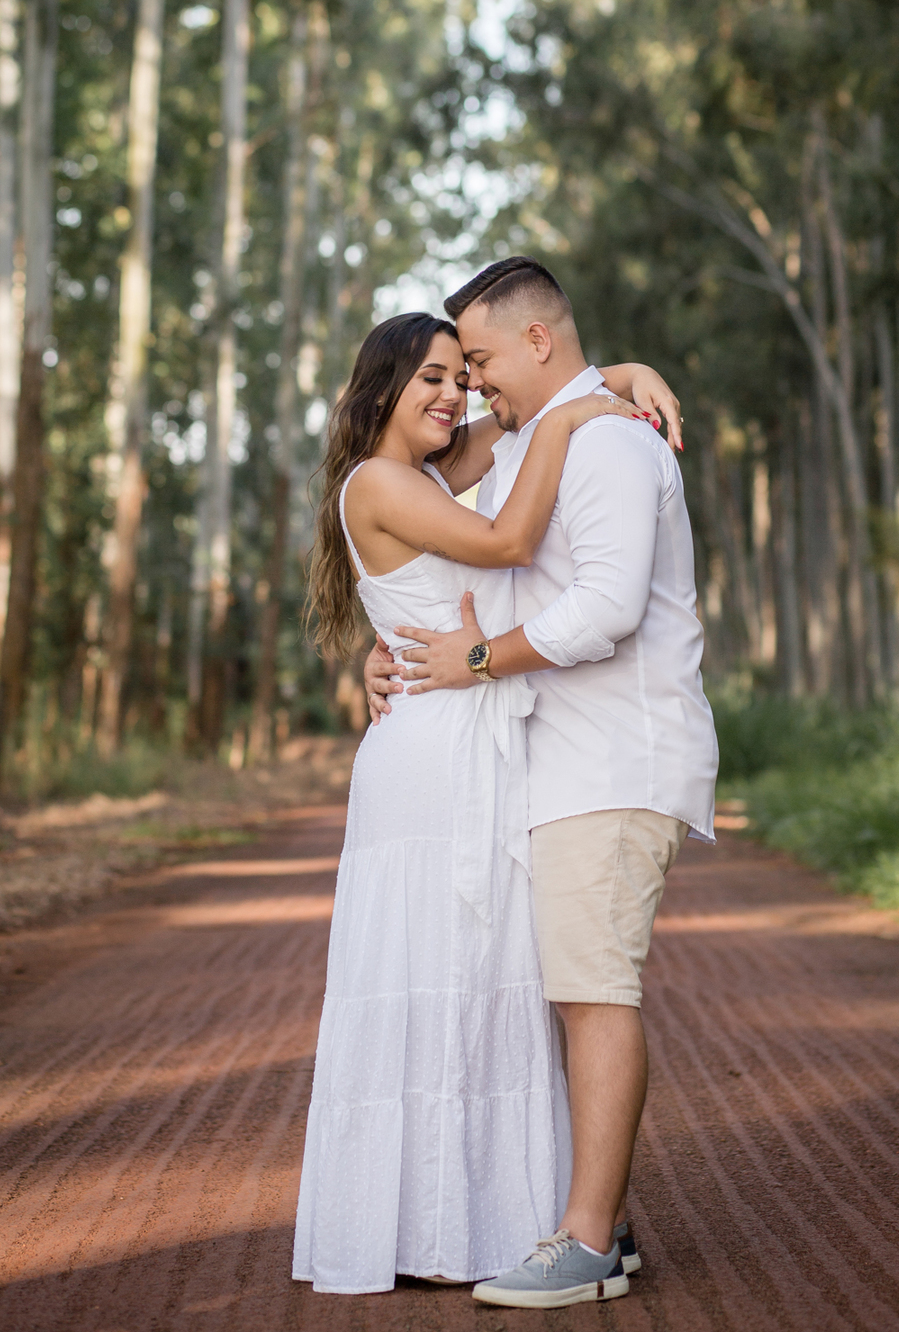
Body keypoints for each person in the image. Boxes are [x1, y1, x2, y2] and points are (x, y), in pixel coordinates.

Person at [291, 310, 679, 1296]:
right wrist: (563, 422)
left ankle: (486, 1221)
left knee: (485, 982)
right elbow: (511, 541)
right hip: (430, 757)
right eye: (428, 377)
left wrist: (614, 372)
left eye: (459, 377)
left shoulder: (426, 472)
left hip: (479, 741)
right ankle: (417, 1225)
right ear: (380, 386)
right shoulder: (378, 482)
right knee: (431, 974)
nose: (451, 394)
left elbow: (526, 406)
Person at [365, 258, 719, 1310]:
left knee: (592, 994)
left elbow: (602, 609)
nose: (469, 385)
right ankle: (594, 1218)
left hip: (611, 761)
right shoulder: (536, 436)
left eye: (475, 360)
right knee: (569, 992)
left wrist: (476, 663)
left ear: (533, 342)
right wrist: (385, 649)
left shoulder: (606, 442)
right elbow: (465, 557)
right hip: (554, 766)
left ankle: (586, 1244)